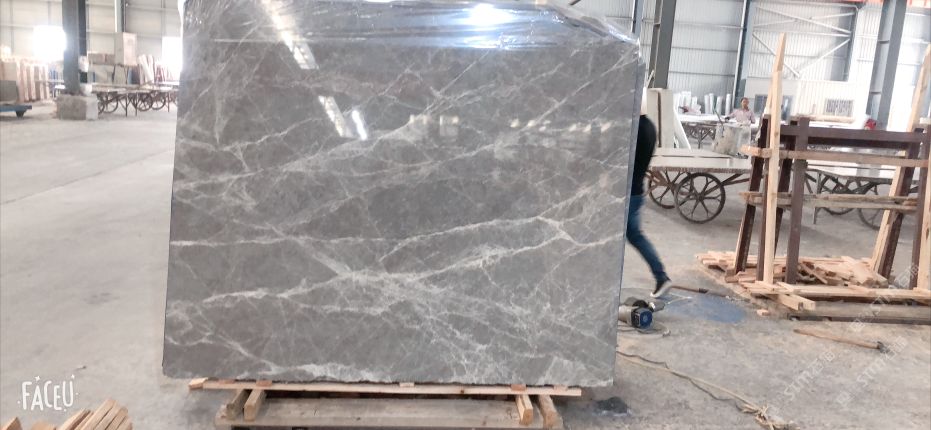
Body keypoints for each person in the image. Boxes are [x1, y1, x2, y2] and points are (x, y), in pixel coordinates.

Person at [629, 114, 673, 298]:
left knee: (634, 235)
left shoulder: (634, 128)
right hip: (636, 191)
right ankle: (661, 277)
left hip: (627, 193)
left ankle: (661, 277)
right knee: (635, 235)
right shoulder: (648, 125)